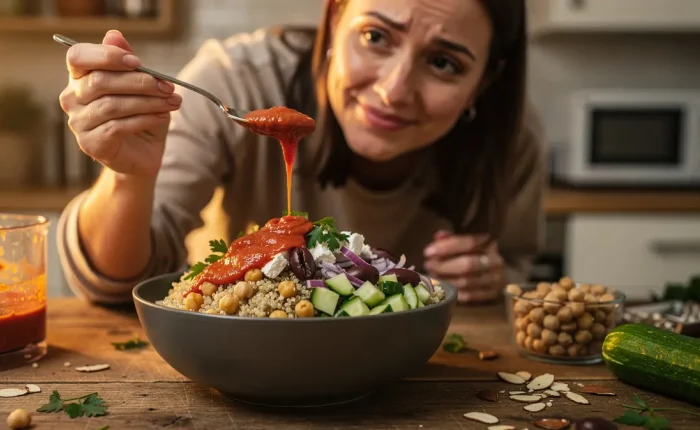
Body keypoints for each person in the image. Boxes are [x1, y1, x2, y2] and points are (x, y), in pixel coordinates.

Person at [56, 0, 547, 306]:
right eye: (375, 37)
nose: (394, 91)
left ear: (485, 82)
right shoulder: (235, 79)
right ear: (334, 21)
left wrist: (494, 278)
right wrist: (127, 178)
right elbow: (117, 284)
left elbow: (520, 274)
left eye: (443, 63)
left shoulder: (511, 136)